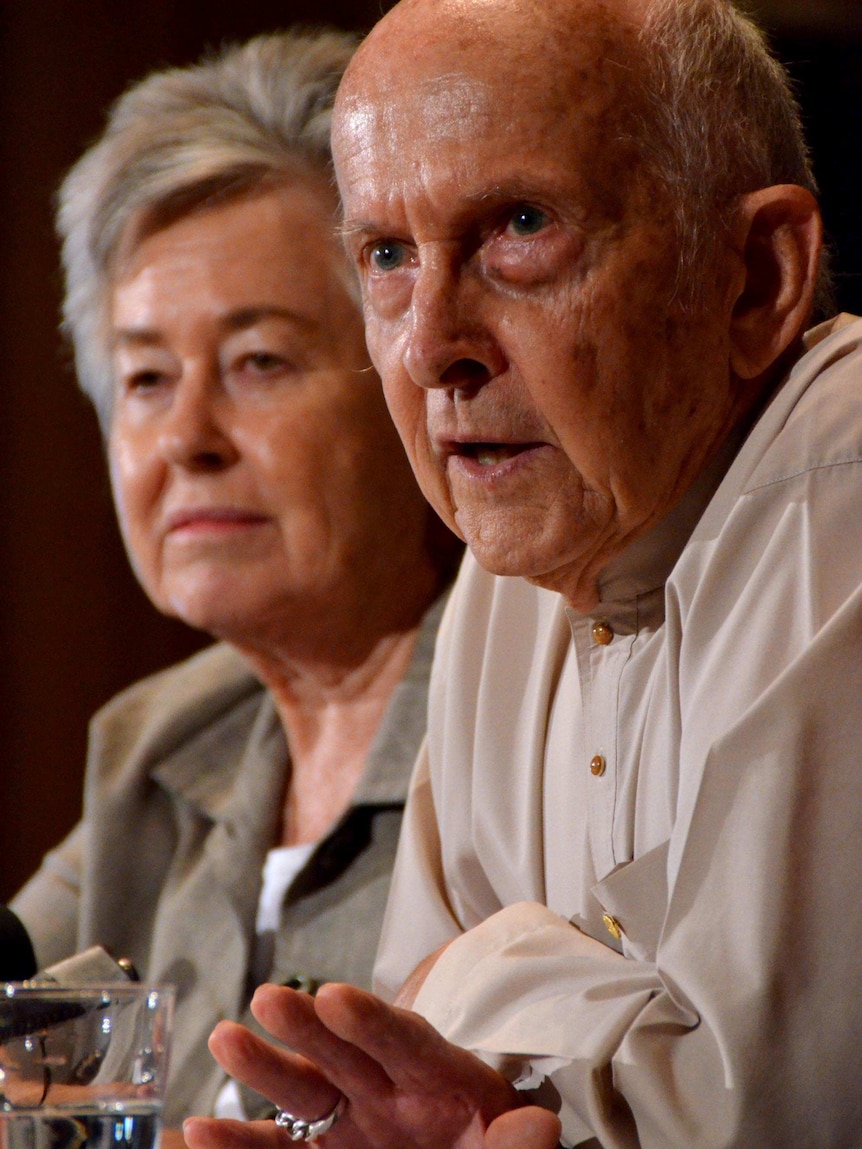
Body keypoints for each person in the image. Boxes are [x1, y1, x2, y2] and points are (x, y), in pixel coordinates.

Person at [180, 0, 862, 1146]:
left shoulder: (839, 495)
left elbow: (777, 1113)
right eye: (388, 256)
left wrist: (506, 989)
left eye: (520, 227)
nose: (431, 344)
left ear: (752, 278)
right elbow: (419, 1053)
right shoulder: (518, 560)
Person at [10, 27, 461, 1138]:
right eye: (147, 378)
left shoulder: (527, 724)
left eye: (259, 361)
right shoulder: (159, 751)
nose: (185, 440)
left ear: (408, 382)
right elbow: (30, 1091)